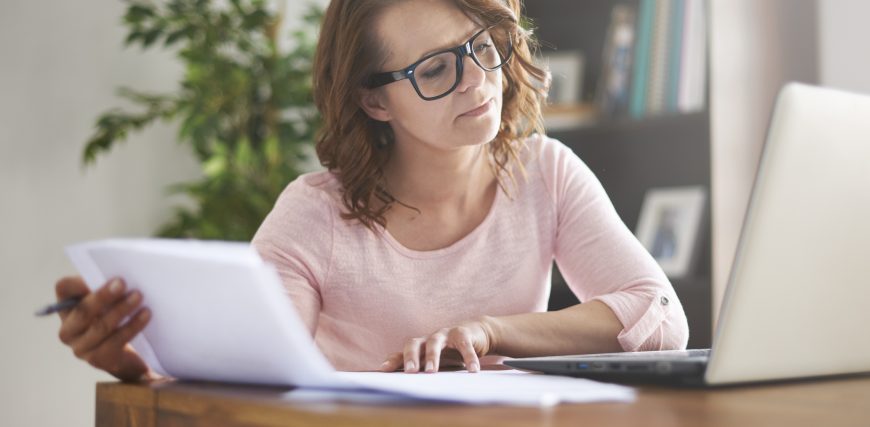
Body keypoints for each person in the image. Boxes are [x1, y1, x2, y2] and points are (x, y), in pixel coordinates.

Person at [54, 0, 689, 381]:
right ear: (372, 100)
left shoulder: (546, 172)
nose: (476, 82)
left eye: (482, 47)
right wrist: (131, 366)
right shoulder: (315, 214)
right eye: (437, 68)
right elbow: (245, 366)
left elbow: (658, 318)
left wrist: (492, 331)